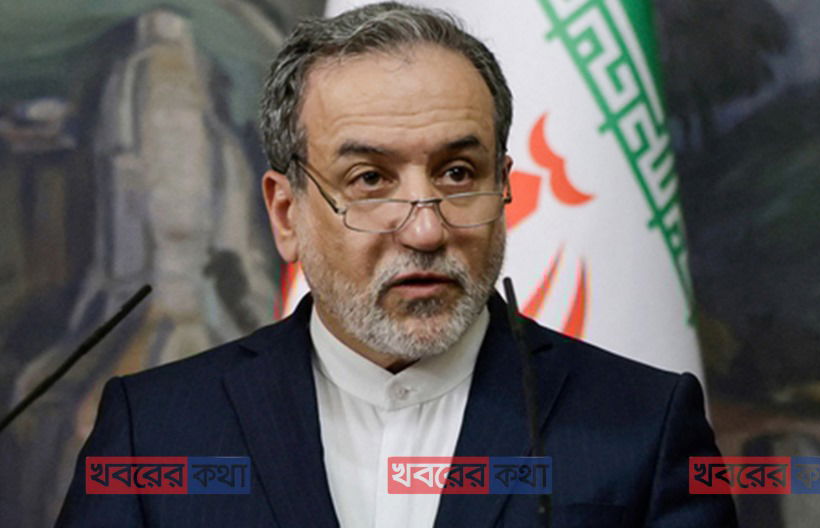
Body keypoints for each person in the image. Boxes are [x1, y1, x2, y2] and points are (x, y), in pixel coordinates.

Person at [57, 3, 737, 526]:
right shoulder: (154, 433)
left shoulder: (641, 424)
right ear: (287, 213)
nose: (425, 228)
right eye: (370, 180)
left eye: (458, 172)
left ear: (504, 188)